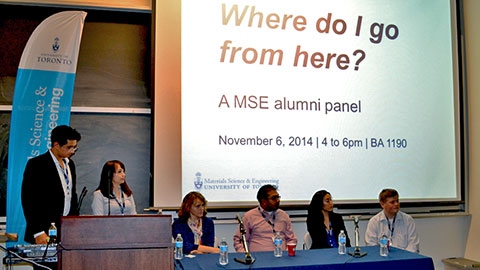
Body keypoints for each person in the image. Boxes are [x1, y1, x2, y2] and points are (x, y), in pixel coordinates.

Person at [21, 125, 81, 244]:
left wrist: (74, 224)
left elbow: (71, 195)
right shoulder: (37, 164)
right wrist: (38, 231)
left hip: (66, 230)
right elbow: (29, 200)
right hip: (44, 232)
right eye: (69, 147)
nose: (72, 151)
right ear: (56, 145)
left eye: (75, 147)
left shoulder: (70, 165)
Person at [233, 184, 297, 252]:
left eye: (278, 197)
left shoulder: (283, 216)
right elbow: (239, 240)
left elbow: (292, 239)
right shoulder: (249, 217)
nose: (278, 200)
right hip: (258, 259)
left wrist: (287, 254)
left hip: (282, 257)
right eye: (274, 198)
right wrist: (246, 256)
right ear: (263, 201)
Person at [365, 188, 420, 253]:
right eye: (392, 202)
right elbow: (371, 245)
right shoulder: (374, 222)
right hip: (382, 260)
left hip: (404, 259)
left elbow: (413, 246)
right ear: (382, 204)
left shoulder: (408, 220)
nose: (396, 204)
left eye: (397, 201)